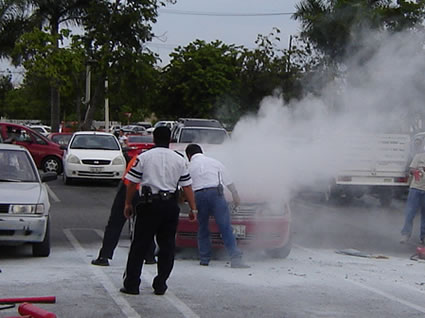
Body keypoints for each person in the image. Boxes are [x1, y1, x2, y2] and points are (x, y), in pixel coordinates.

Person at [120, 126, 197, 296]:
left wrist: (128, 204)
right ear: (170, 140)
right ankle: (161, 284)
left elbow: (132, 183)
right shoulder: (179, 159)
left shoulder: (144, 158)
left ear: (154, 139)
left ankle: (132, 284)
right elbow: (187, 186)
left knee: (139, 245)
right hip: (170, 206)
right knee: (167, 246)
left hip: (149, 205)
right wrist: (193, 208)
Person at [185, 143, 250, 268]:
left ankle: (204, 259)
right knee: (225, 226)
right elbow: (228, 180)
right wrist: (235, 195)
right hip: (216, 194)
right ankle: (235, 259)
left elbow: (186, 186)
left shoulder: (189, 166)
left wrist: (192, 208)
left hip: (199, 196)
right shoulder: (214, 162)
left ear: (188, 155)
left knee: (203, 227)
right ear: (201, 152)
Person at [91, 156, 156, 267]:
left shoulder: (140, 156)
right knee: (146, 225)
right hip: (146, 192)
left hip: (129, 187)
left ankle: (104, 256)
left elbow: (130, 178)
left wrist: (127, 201)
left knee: (115, 223)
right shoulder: (159, 159)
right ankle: (149, 255)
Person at [400, 150, 425, 244]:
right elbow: (411, 169)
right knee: (410, 212)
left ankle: (423, 237)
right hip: (416, 188)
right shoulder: (419, 156)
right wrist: (416, 172)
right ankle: (405, 234)